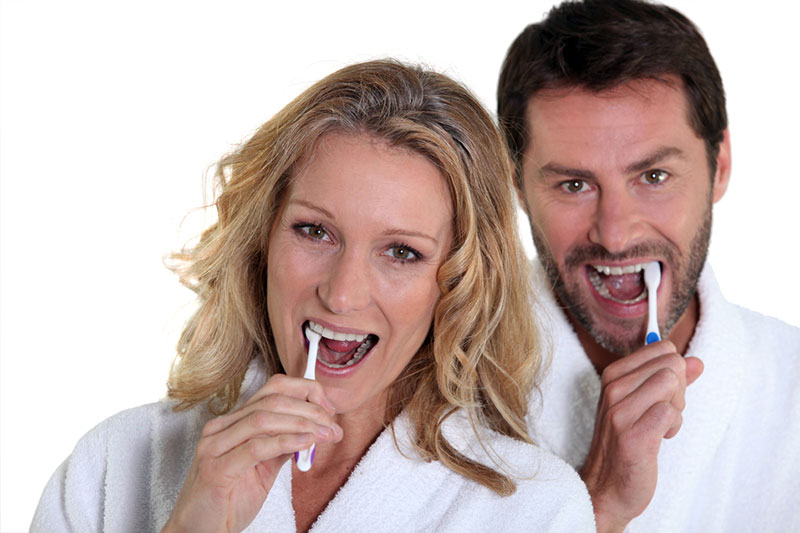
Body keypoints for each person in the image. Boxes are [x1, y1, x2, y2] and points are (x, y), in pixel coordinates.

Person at [31, 59, 594, 532]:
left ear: (459, 283)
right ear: (263, 240)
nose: (342, 295)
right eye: (315, 231)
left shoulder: (533, 508)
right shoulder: (112, 465)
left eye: (401, 252)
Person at [497, 1, 800, 531]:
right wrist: (599, 506)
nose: (615, 234)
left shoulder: (790, 387)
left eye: (654, 176)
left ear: (719, 165)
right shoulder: (434, 379)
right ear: (518, 185)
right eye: (574, 185)